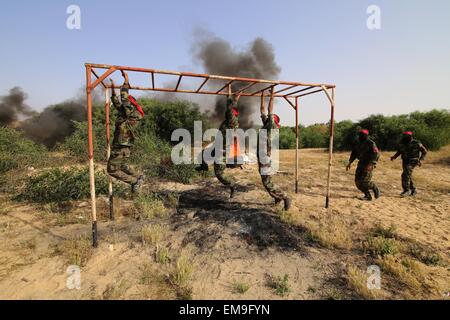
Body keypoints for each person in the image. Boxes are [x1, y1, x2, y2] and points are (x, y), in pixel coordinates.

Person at [107, 71, 144, 193]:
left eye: (127, 103)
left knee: (112, 170)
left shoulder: (131, 113)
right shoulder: (126, 114)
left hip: (121, 144)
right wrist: (112, 88)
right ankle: (139, 177)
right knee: (122, 166)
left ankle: (134, 182)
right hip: (124, 145)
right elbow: (116, 102)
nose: (123, 105)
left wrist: (126, 81)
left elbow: (124, 98)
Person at [258, 92, 291, 211]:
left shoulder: (272, 127)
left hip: (265, 157)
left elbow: (269, 108)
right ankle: (277, 197)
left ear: (273, 120)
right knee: (265, 180)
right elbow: (262, 110)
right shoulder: (267, 124)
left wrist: (272, 92)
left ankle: (285, 197)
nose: (267, 118)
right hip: (262, 156)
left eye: (270, 118)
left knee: (266, 181)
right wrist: (262, 95)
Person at [213, 94, 241, 198]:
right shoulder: (230, 121)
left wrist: (234, 99)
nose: (228, 113)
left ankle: (232, 185)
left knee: (219, 173)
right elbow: (231, 109)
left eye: (231, 113)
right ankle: (203, 165)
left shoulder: (232, 121)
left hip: (223, 150)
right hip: (220, 147)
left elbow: (229, 108)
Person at [346, 129, 381, 201]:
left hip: (368, 164)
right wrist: (350, 162)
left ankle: (374, 187)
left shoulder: (371, 143)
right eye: (360, 134)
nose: (360, 136)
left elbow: (376, 154)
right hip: (361, 163)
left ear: (366, 135)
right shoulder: (357, 143)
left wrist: (371, 164)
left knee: (365, 181)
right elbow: (354, 153)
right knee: (358, 182)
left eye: (362, 135)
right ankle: (367, 196)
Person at [390, 131, 428, 196]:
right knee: (408, 175)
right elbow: (400, 151)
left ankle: (406, 190)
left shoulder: (417, 143)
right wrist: (394, 157)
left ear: (410, 136)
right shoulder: (402, 142)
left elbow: (424, 151)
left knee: (405, 174)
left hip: (413, 161)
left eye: (407, 136)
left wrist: (420, 160)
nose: (405, 137)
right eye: (404, 136)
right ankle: (413, 190)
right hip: (405, 161)